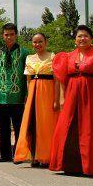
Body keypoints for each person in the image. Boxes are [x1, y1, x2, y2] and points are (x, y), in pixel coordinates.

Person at [49, 25, 93, 177]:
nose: (82, 39)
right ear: (75, 40)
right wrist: (62, 97)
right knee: (67, 127)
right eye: (79, 36)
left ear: (91, 39)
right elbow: (62, 78)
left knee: (90, 129)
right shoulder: (67, 57)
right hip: (72, 95)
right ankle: (71, 165)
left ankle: (91, 165)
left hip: (92, 95)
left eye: (86, 36)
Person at [14, 33, 60, 167]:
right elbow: (28, 80)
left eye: (40, 41)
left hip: (47, 92)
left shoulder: (53, 57)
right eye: (35, 42)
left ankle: (46, 156)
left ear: (46, 42)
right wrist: (28, 95)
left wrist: (57, 99)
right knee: (32, 124)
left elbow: (57, 81)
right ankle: (34, 156)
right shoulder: (29, 58)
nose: (37, 44)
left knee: (45, 124)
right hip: (33, 92)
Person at [0, 23, 30, 162]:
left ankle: (19, 154)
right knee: (3, 127)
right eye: (6, 34)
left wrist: (26, 93)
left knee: (19, 127)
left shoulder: (24, 53)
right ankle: (5, 155)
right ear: (3, 36)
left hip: (17, 96)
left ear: (16, 35)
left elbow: (27, 76)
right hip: (1, 96)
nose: (9, 37)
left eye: (12, 34)